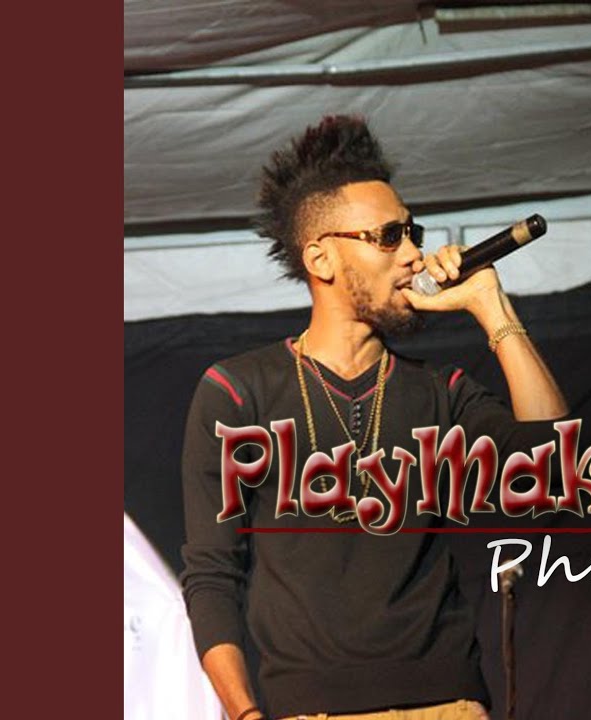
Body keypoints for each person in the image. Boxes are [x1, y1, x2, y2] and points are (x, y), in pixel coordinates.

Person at [180, 115, 568, 720]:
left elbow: (553, 472)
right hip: (312, 709)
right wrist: (245, 713)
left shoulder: (440, 393)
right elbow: (211, 574)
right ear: (322, 258)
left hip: (448, 705)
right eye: (388, 237)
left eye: (412, 232)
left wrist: (491, 307)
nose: (413, 254)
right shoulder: (237, 392)